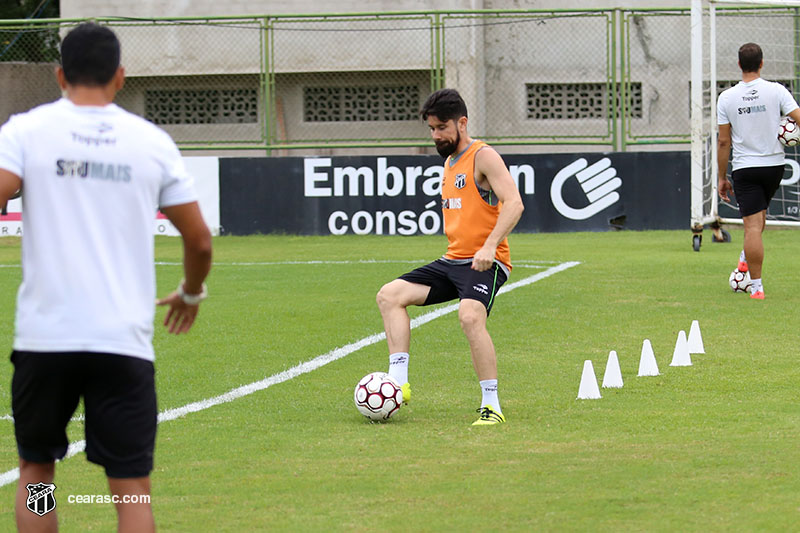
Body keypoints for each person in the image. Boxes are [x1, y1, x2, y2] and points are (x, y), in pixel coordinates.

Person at [0, 23, 212, 532]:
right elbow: (200, 240)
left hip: (45, 338)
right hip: (121, 341)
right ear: (120, 76)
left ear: (60, 76)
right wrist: (190, 292)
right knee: (131, 485)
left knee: (37, 472)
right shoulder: (150, 141)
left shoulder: (25, 131)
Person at [376, 88, 524, 426]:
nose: (435, 135)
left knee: (470, 317)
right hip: (453, 261)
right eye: (431, 128)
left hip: (486, 262)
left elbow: (514, 203)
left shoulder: (483, 156)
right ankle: (398, 384)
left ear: (462, 123)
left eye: (442, 127)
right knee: (389, 295)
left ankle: (492, 405)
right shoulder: (448, 162)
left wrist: (490, 246)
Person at [717, 42, 800, 300]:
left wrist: (721, 177)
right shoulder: (777, 91)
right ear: (762, 63)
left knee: (752, 226)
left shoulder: (726, 97)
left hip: (746, 168)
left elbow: (723, 142)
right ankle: (745, 260)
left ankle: (756, 287)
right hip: (775, 166)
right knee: (759, 217)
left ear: (739, 65)